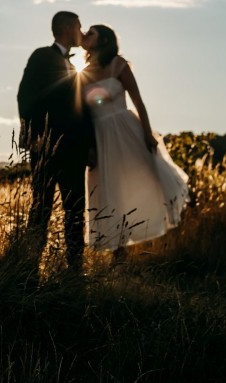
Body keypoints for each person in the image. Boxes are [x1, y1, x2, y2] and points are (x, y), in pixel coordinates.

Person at [80, 24, 188, 256]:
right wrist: (88, 146)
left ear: (104, 40)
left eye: (91, 32)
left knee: (138, 181)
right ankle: (117, 253)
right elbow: (84, 114)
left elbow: (138, 101)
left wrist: (147, 133)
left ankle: (138, 237)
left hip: (125, 131)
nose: (85, 35)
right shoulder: (83, 72)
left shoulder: (119, 64)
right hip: (99, 137)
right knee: (107, 191)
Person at [16, 11, 96, 272]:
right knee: (41, 208)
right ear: (68, 28)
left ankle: (75, 271)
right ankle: (29, 267)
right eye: (79, 27)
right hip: (46, 147)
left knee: (75, 212)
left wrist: (91, 147)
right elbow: (25, 96)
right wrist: (33, 135)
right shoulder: (41, 56)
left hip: (75, 151)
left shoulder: (74, 68)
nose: (81, 32)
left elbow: (84, 111)